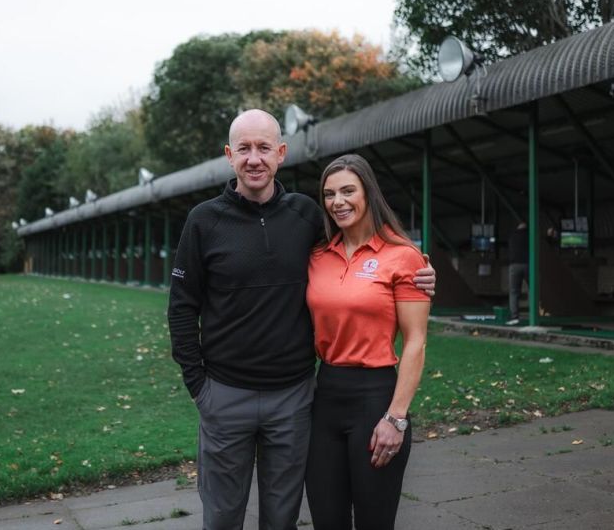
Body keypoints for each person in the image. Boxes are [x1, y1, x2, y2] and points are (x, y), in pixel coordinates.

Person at [167, 110, 436, 530]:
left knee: (283, 519)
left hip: (294, 397)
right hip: (226, 393)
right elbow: (182, 306)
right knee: (221, 518)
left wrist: (421, 273)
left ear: (281, 153)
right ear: (229, 155)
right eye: (243, 149)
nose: (254, 158)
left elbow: (371, 259)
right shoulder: (204, 220)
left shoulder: (305, 215)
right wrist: (199, 386)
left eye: (264, 148)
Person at [304, 153, 431, 530]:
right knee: (327, 521)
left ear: (368, 193)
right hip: (325, 397)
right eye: (329, 194)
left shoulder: (403, 256)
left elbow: (416, 342)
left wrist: (396, 418)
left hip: (375, 399)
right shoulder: (316, 255)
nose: (338, 202)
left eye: (348, 191)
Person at [508, 221, 529, 325]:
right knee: (533, 290)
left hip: (514, 265)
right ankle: (535, 314)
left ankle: (514, 316)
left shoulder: (512, 236)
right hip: (528, 265)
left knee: (514, 292)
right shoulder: (529, 235)